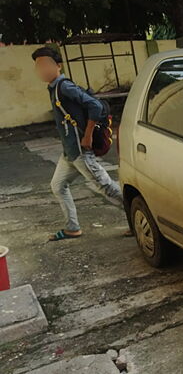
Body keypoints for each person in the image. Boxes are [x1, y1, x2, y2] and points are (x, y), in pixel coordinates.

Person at [32, 47, 131, 241]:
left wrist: (88, 136)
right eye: (38, 66)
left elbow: (95, 106)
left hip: (80, 151)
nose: (41, 69)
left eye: (45, 64)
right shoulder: (54, 87)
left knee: (107, 188)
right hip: (69, 153)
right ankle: (72, 228)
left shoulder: (64, 87)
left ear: (58, 66)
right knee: (58, 186)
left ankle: (140, 219)